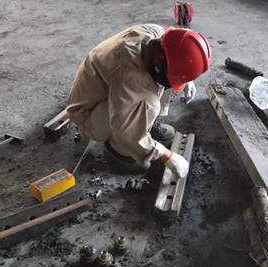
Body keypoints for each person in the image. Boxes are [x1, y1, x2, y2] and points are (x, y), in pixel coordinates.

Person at [67, 24, 211, 179]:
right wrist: (166, 156)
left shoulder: (157, 35)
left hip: (104, 87)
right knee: (149, 101)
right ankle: (119, 149)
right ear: (158, 58)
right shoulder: (131, 75)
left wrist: (184, 77)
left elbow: (176, 52)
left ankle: (147, 124)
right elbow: (125, 132)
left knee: (164, 77)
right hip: (87, 113)